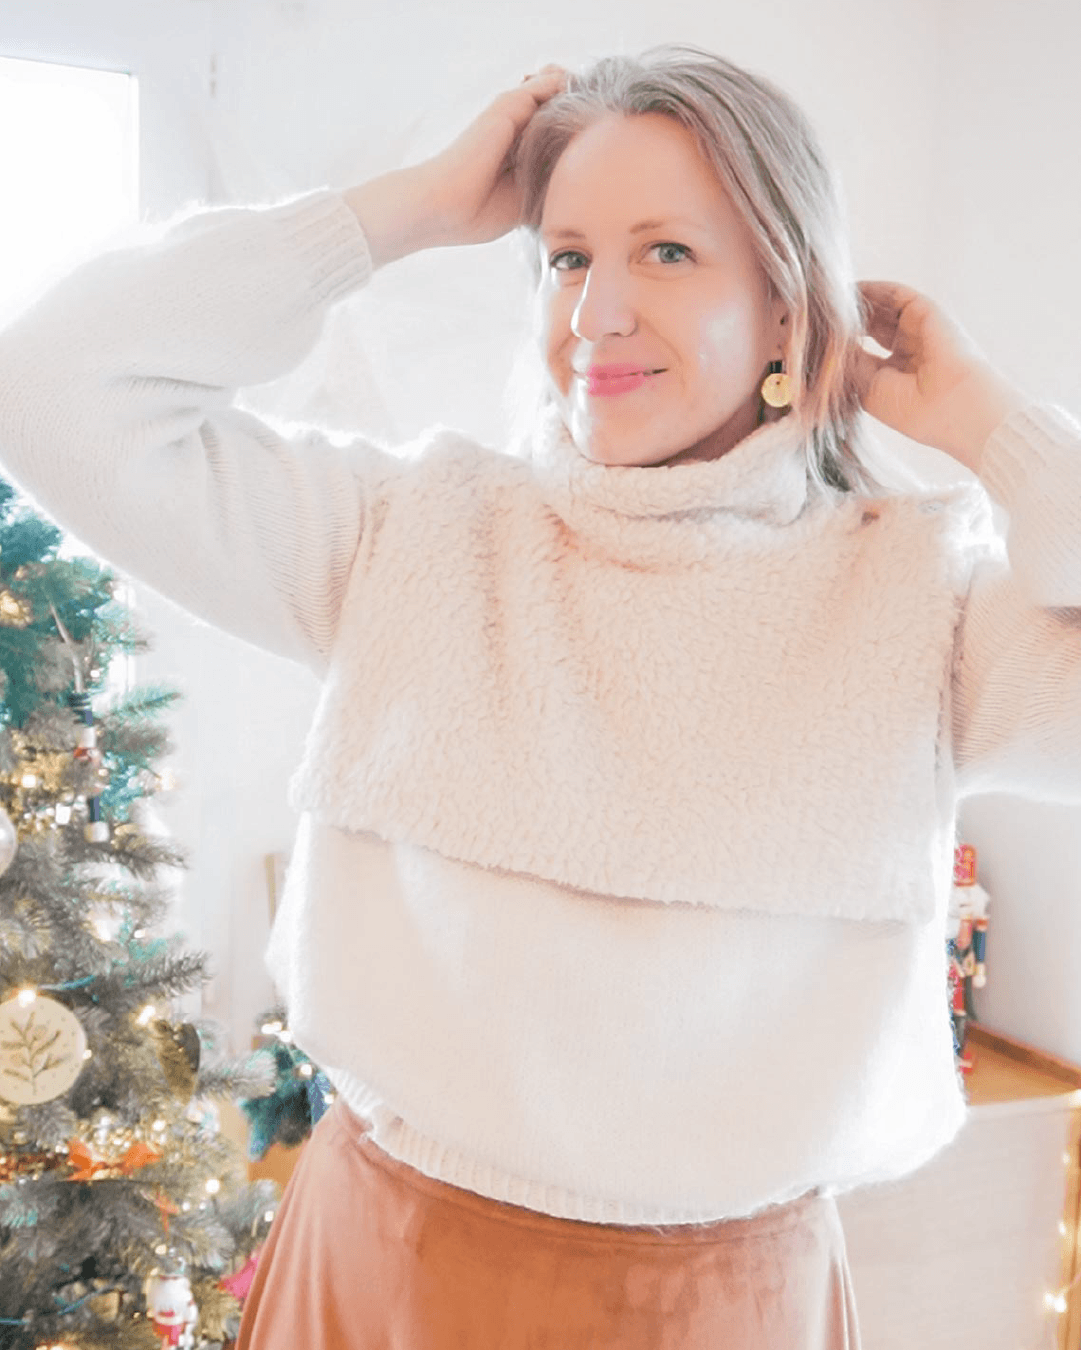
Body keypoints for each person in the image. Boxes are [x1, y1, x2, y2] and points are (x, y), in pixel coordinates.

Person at [0, 40, 1078, 1350]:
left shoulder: (916, 598)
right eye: (567, 256)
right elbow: (49, 390)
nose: (596, 313)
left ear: (791, 307)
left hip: (717, 1308)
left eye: (665, 252)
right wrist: (405, 212)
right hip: (379, 1264)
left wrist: (992, 424)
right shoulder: (412, 531)